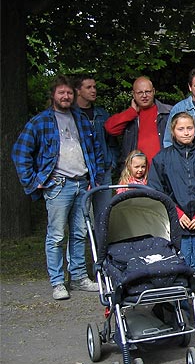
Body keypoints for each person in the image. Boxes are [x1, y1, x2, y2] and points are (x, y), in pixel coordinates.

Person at [12, 75, 104, 300]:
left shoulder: (80, 118)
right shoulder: (41, 121)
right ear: (53, 95)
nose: (66, 96)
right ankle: (57, 282)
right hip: (58, 186)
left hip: (83, 184)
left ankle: (80, 278)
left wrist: (95, 176)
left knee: (80, 233)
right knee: (56, 236)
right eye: (61, 93)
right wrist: (35, 180)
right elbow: (20, 152)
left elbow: (95, 149)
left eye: (69, 93)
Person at [148, 112, 195, 327]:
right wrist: (177, 214)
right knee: (183, 271)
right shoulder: (162, 159)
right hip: (177, 226)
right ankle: (185, 312)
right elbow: (157, 191)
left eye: (189, 128)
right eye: (181, 129)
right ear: (173, 131)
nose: (186, 132)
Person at [74, 75, 119, 215]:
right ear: (78, 91)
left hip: (103, 170)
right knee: (80, 215)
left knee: (104, 214)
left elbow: (112, 142)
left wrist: (112, 162)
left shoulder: (102, 114)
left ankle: (100, 238)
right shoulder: (71, 114)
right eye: (88, 87)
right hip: (81, 172)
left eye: (94, 87)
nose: (93, 90)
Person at [105, 76, 172, 167]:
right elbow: (110, 128)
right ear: (133, 94)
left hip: (163, 168)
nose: (144, 96)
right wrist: (131, 112)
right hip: (136, 172)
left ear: (154, 91)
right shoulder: (130, 116)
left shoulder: (168, 112)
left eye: (147, 92)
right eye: (140, 92)